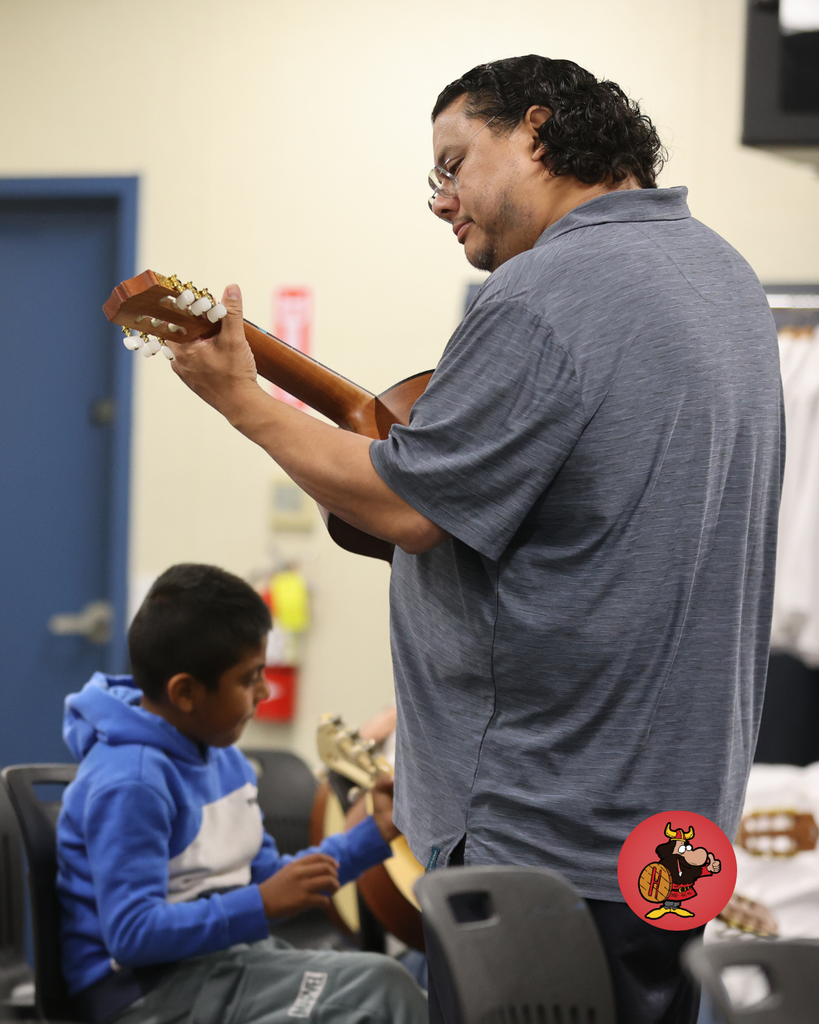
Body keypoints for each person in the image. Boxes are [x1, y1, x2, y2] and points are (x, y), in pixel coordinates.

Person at [164, 56, 783, 1024]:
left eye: (453, 164)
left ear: (535, 130)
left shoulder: (545, 291)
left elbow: (407, 506)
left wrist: (242, 400)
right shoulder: (724, 278)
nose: (439, 199)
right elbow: (587, 523)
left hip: (543, 824)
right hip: (679, 824)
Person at [56, 563, 428, 1024]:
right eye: (249, 678)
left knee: (405, 978)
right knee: (380, 990)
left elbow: (265, 879)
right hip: (144, 994)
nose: (265, 691)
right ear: (186, 692)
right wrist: (261, 903)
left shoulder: (224, 758)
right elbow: (132, 935)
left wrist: (373, 832)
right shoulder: (131, 782)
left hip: (222, 960)